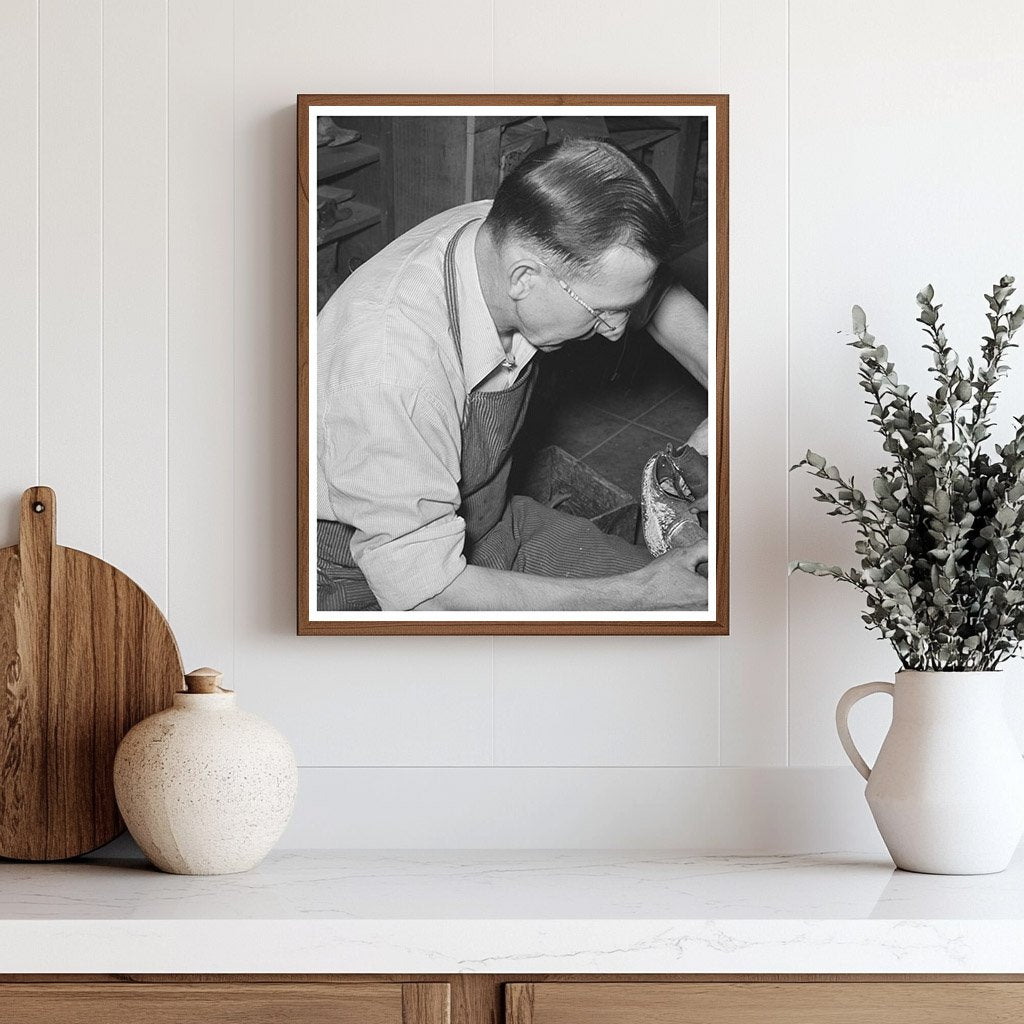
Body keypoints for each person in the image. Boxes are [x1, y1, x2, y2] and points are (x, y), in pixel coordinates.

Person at [316, 137, 709, 612]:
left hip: (489, 522)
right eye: (604, 312)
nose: (615, 332)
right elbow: (428, 595)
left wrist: (738, 389)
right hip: (368, 580)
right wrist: (640, 592)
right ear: (524, 278)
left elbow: (645, 292)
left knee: (696, 601)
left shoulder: (510, 231)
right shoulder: (390, 374)